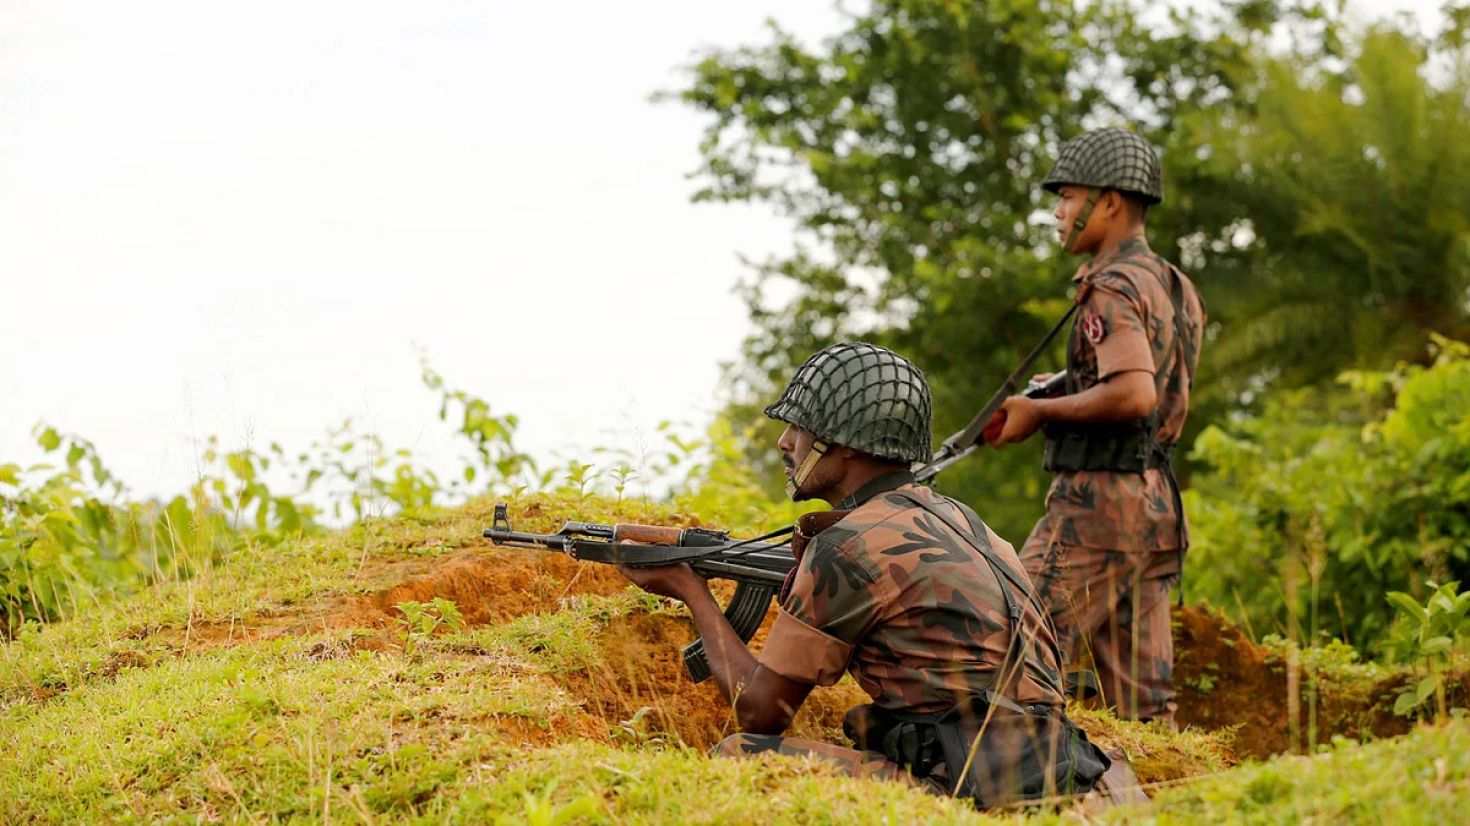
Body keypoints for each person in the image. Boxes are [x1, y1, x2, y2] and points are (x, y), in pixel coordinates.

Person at [618, 342, 1107, 807]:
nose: (785, 443)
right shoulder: (962, 519)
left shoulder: (849, 546)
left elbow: (760, 711)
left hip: (973, 787)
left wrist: (691, 592)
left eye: (800, 428)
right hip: (1056, 769)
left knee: (739, 754)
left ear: (845, 445)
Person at [989, 127, 1206, 726]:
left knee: (1003, 650)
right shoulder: (1172, 285)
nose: (1058, 212)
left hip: (1096, 512)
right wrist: (1048, 393)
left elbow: (1134, 394)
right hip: (1155, 509)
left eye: (1067, 196)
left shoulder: (1108, 286)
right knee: (1145, 708)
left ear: (1109, 202)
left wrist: (1039, 413)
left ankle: (996, 795)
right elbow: (1150, 385)